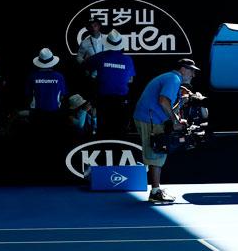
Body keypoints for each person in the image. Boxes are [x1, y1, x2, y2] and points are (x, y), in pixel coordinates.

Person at [133, 58, 200, 203]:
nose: (193, 75)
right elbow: (163, 101)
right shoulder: (174, 79)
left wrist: (179, 109)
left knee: (157, 153)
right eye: (191, 71)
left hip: (149, 117)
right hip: (150, 118)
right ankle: (155, 192)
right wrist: (175, 121)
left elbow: (166, 103)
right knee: (157, 152)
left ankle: (156, 190)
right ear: (183, 69)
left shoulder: (171, 78)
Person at [86, 29, 136, 138]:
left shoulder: (100, 57)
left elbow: (86, 65)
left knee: (104, 129)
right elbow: (130, 80)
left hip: (103, 98)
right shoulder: (128, 60)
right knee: (120, 130)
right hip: (121, 99)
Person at [25, 47, 67, 133]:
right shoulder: (59, 76)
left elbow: (28, 95)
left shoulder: (32, 76)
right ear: (53, 62)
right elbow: (63, 95)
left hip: (37, 113)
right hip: (54, 112)